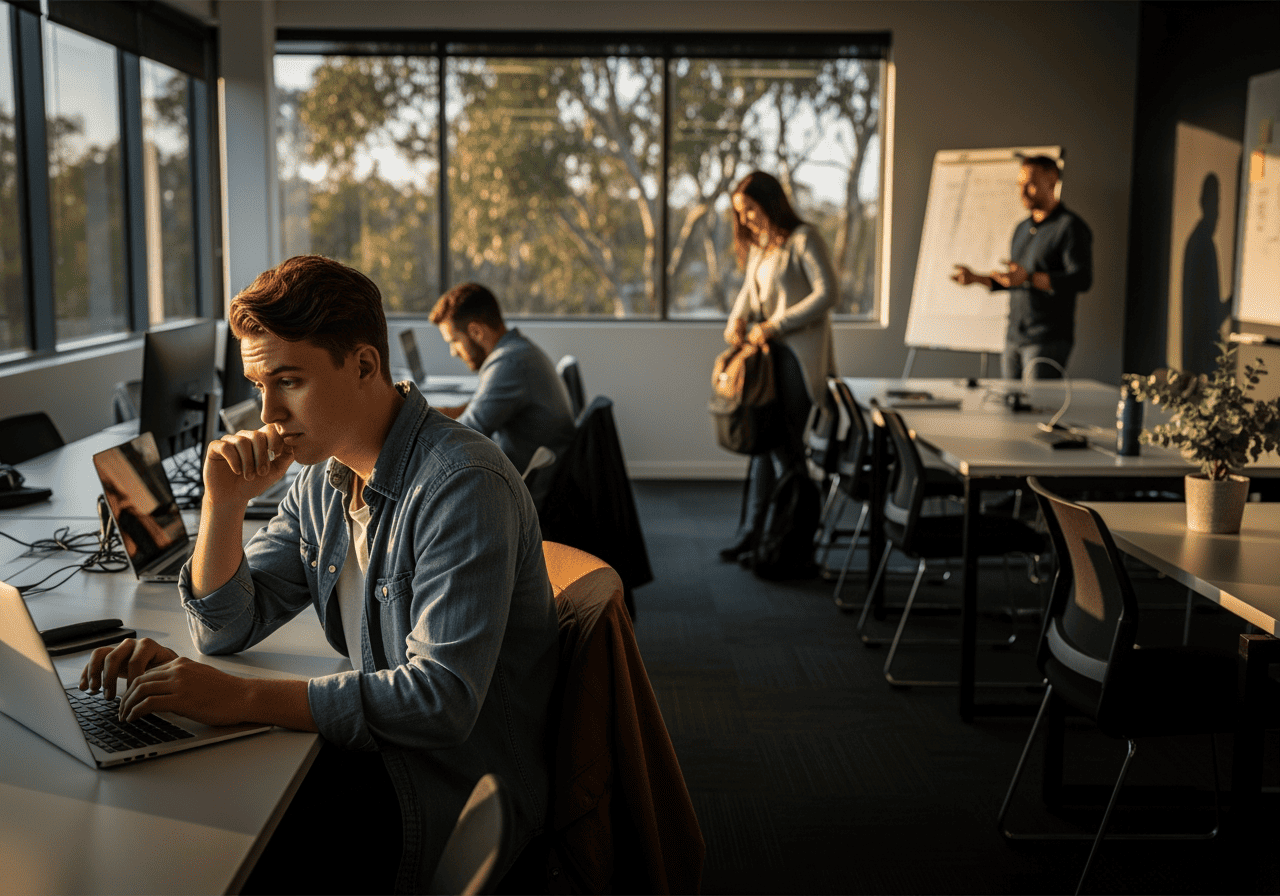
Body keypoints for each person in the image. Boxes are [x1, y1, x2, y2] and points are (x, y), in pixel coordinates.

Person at [78, 255, 560, 892]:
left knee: (196, 841)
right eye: (257, 387)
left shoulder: (461, 485)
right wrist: (224, 505)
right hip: (382, 762)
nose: (267, 413)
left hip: (440, 793)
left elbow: (440, 703)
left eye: (288, 381)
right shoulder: (320, 481)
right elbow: (226, 629)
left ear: (363, 365)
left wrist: (240, 697)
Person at [719, 170, 838, 565]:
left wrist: (776, 325)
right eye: (741, 213)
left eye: (751, 209)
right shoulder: (762, 246)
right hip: (769, 362)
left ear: (771, 202)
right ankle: (754, 535)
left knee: (785, 454)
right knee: (763, 448)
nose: (747, 218)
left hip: (796, 361)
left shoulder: (804, 239)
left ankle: (787, 542)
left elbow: (828, 294)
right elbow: (749, 294)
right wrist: (738, 319)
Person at [429, 282, 576, 506]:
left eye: (454, 342)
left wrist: (408, 432)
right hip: (535, 479)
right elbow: (476, 408)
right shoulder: (517, 351)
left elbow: (465, 435)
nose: (453, 352)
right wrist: (429, 413)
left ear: (476, 331)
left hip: (526, 494)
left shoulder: (510, 363)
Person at [952, 155, 1093, 380]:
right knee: (1010, 409)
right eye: (1020, 185)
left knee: (1036, 408)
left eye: (1031, 185)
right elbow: (1015, 280)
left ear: (1052, 180)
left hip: (1046, 339)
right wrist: (975, 278)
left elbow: (1081, 279)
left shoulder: (1069, 227)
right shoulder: (1021, 229)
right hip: (1013, 337)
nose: (1023, 192)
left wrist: (1029, 278)